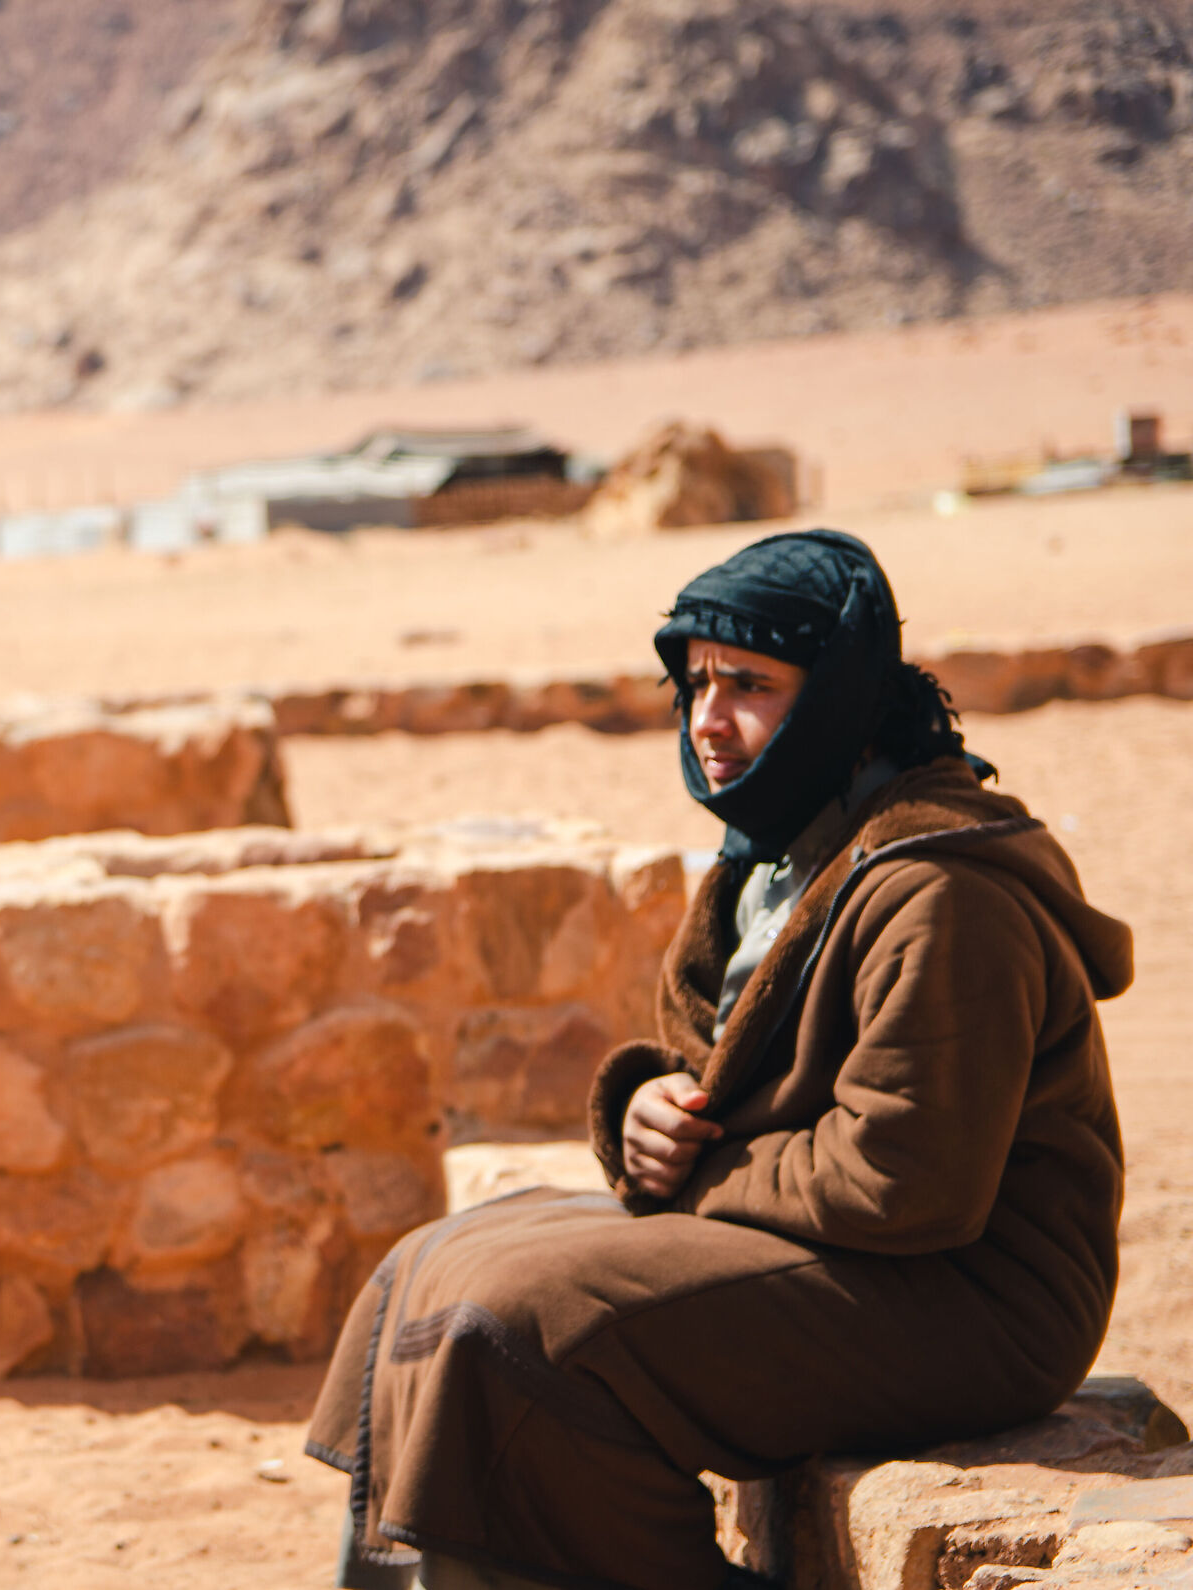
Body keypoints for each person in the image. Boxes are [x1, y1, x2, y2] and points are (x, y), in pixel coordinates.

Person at [305, 530, 1133, 1590]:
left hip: (973, 1299)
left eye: (750, 683)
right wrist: (644, 1109)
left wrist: (697, 1168)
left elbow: (908, 1183)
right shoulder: (776, 858)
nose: (708, 718)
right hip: (839, 1251)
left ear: (836, 698)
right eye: (694, 681)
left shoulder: (941, 893)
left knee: (510, 1329)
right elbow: (719, 1071)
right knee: (428, 1266)